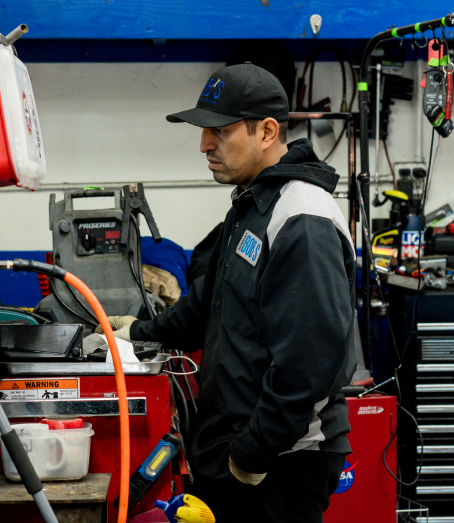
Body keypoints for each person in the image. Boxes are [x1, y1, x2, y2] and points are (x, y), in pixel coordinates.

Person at [99, 62, 357, 522]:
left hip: (281, 461)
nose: (204, 144)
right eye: (204, 130)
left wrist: (250, 456)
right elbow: (207, 302)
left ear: (267, 131)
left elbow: (308, 364)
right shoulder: (252, 205)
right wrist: (136, 332)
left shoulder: (302, 219)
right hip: (235, 454)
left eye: (219, 130)